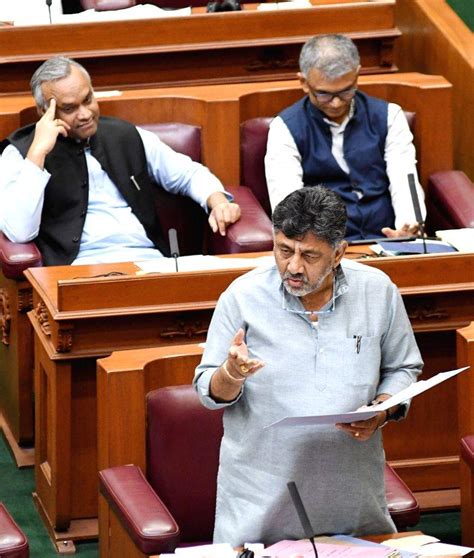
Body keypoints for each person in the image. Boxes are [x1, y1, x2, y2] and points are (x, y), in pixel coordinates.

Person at [194, 186, 423, 546]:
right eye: (284, 251)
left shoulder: (378, 292)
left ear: (339, 253)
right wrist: (231, 374)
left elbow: (403, 368)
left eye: (309, 255)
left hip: (354, 501)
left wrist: (382, 409)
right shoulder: (241, 296)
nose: (294, 267)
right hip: (260, 507)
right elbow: (208, 390)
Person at [0, 56, 240, 266]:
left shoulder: (125, 135)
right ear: (45, 112)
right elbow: (20, 232)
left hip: (146, 261)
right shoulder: (20, 153)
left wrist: (217, 201)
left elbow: (188, 174)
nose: (84, 114)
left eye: (88, 100)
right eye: (70, 108)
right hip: (76, 270)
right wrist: (37, 155)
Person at [264, 34, 426, 241]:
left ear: (357, 75)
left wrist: (409, 227)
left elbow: (405, 179)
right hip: (324, 245)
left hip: (387, 238)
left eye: (346, 91)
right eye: (324, 94)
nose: (336, 103)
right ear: (304, 82)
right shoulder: (284, 128)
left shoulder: (389, 117)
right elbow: (288, 200)